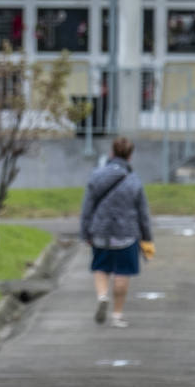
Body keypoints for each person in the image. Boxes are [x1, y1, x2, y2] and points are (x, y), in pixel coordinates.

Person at [79, 136, 154, 328]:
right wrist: (147, 238)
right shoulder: (134, 181)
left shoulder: (96, 176)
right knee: (122, 273)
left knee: (100, 268)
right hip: (126, 234)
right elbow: (143, 213)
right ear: (130, 157)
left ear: (111, 153)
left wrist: (85, 232)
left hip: (100, 232)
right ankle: (117, 314)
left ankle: (102, 296)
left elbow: (87, 207)